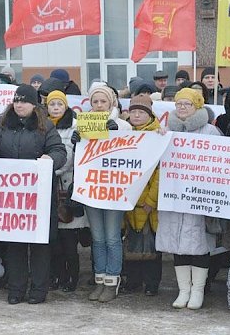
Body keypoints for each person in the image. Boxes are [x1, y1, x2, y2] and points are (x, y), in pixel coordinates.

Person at [0, 84, 66, 305]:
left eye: (23, 101)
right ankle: (15, 289)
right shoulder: (3, 123)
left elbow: (59, 151)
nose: (19, 105)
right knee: (14, 246)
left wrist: (50, 159)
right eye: (16, 101)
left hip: (38, 197)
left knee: (39, 247)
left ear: (33, 104)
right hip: (12, 199)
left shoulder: (45, 126)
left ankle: (38, 290)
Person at [155, 88, 221, 310]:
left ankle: (198, 290)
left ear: (198, 106)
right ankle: (183, 290)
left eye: (187, 104)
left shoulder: (210, 131)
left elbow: (219, 163)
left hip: (198, 197)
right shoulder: (166, 131)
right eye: (179, 103)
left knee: (198, 245)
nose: (182, 107)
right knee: (177, 244)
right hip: (174, 196)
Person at [71, 84, 131, 303]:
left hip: (113, 190)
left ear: (111, 103)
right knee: (97, 238)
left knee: (112, 237)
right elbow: (77, 158)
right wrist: (76, 142)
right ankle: (100, 279)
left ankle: (113, 280)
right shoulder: (83, 124)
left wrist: (118, 133)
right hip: (92, 189)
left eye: (103, 101)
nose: (98, 105)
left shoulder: (123, 125)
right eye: (95, 102)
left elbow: (134, 152)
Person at [45, 90, 87, 292]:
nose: (55, 108)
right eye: (51, 104)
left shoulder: (75, 125)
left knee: (69, 240)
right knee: (54, 241)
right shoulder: (43, 125)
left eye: (59, 104)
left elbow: (73, 155)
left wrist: (54, 168)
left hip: (68, 185)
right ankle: (57, 276)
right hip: (48, 185)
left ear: (65, 106)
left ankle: (73, 277)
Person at [123, 94, 162, 296]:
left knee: (152, 247)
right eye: (133, 111)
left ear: (149, 114)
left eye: (141, 112)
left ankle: (152, 283)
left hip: (148, 203)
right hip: (128, 201)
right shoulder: (123, 134)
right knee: (132, 244)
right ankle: (133, 281)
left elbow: (159, 174)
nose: (136, 115)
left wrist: (151, 200)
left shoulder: (158, 136)